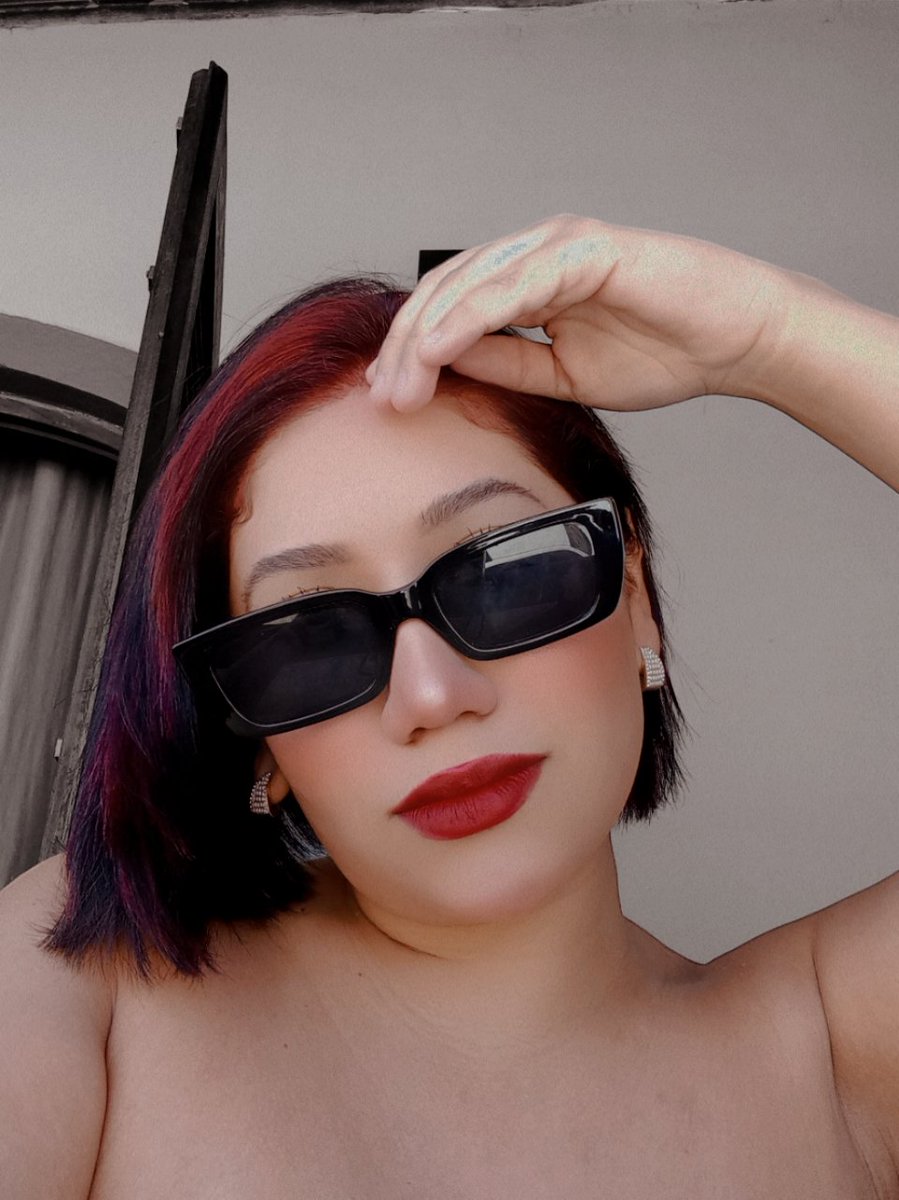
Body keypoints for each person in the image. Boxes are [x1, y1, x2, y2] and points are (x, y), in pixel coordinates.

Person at [1, 213, 896, 1198]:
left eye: (504, 575)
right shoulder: (89, 978)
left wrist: (765, 334)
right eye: (311, 638)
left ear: (634, 598)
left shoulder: (832, 1051)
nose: (429, 696)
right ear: (259, 744)